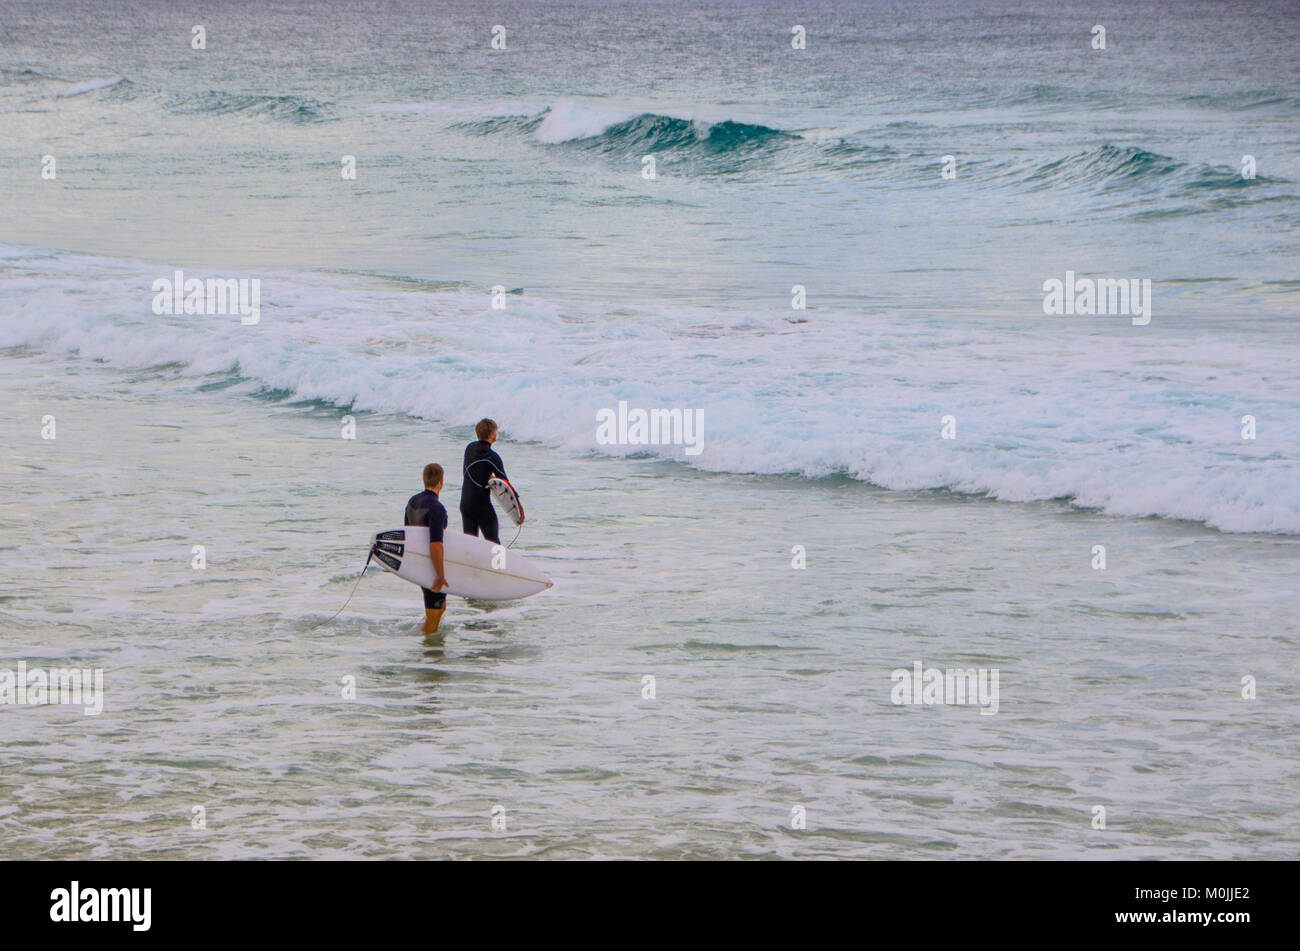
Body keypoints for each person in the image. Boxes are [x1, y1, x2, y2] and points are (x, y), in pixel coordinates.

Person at [405, 463, 448, 633]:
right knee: (434, 613)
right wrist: (440, 574)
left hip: (418, 562)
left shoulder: (412, 502)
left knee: (439, 607)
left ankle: (426, 639)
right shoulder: (437, 508)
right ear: (441, 481)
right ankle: (429, 652)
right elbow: (436, 544)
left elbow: (407, 534)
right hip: (431, 566)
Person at [460, 417, 513, 544]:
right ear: (491, 435)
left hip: (465, 503)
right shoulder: (492, 457)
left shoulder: (469, 448)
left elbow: (471, 471)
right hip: (481, 505)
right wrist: (518, 511)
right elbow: (506, 485)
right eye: (495, 431)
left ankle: (469, 564)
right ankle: (498, 565)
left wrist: (487, 478)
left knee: (470, 544)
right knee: (493, 543)